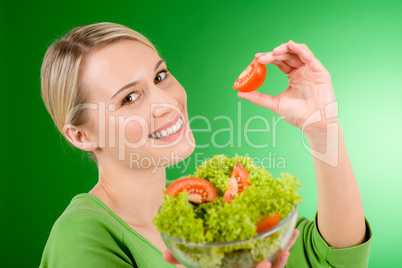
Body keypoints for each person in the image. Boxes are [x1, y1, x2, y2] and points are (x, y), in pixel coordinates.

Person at [39, 22, 372, 268]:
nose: (167, 102)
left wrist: (322, 128)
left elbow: (331, 258)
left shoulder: (207, 205)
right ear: (82, 136)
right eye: (129, 98)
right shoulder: (82, 235)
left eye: (159, 77)